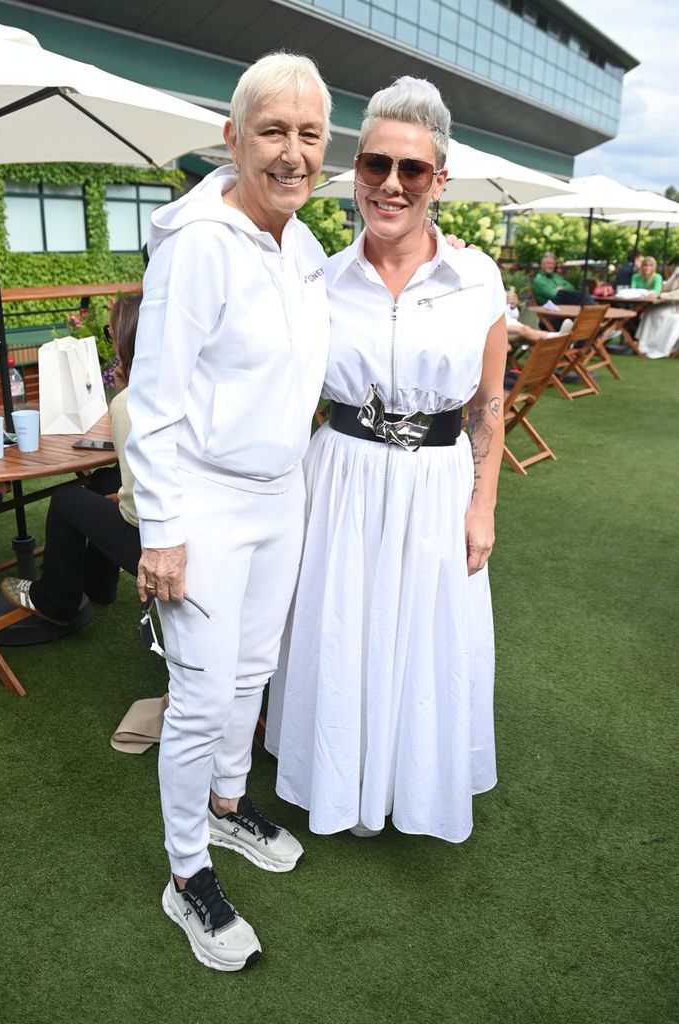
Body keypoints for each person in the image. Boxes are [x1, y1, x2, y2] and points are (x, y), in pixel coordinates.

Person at [124, 53, 333, 972]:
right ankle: (185, 875)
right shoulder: (199, 241)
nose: (292, 154)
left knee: (250, 672)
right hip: (203, 500)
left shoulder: (305, 244)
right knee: (202, 698)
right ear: (234, 137)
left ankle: (226, 805)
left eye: (310, 134)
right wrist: (163, 533)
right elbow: (154, 399)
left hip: (279, 492)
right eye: (274, 132)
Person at [266, 77, 507, 846]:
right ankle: (338, 781)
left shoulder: (478, 279)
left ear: (439, 180)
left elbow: (488, 406)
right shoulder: (317, 276)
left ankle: (410, 786)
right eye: (375, 166)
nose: (391, 186)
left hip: (436, 485)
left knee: (426, 636)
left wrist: (482, 507)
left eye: (411, 170)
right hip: (336, 477)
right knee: (340, 629)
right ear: (356, 172)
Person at [0, 295, 142, 623]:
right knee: (106, 479)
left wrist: (116, 503)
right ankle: (99, 587)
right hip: (195, 519)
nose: (111, 344)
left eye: (111, 335)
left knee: (65, 499)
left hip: (158, 540)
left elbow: (136, 508)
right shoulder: (165, 387)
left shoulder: (127, 404)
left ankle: (55, 600)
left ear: (127, 341)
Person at [638, 265, 679, 358]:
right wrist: (675, 279)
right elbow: (667, 287)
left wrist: (661, 296)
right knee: (650, 310)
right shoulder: (677, 269)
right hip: (672, 304)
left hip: (676, 308)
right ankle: (644, 345)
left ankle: (661, 347)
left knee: (666, 315)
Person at [531, 251, 597, 309]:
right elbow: (554, 294)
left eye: (553, 264)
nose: (551, 266)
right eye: (548, 263)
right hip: (550, 312)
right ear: (542, 264)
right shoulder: (539, 280)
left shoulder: (555, 276)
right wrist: (561, 289)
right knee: (580, 296)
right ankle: (597, 311)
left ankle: (596, 311)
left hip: (564, 307)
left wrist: (560, 288)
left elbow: (571, 287)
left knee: (582, 295)